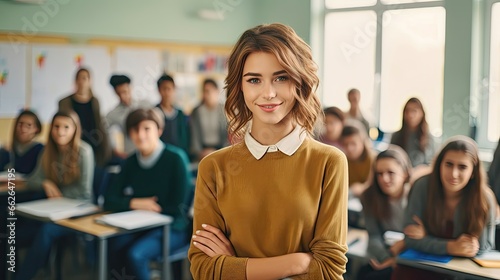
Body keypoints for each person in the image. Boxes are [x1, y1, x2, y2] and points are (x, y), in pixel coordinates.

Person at [188, 23, 348, 280]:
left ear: (299, 80)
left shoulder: (329, 162)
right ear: (240, 86)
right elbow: (203, 269)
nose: (268, 93)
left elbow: (328, 270)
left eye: (281, 77)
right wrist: (298, 262)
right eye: (254, 80)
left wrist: (234, 265)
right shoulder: (213, 167)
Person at [392, 136, 497, 280]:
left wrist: (427, 239)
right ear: (439, 165)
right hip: (418, 268)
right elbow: (410, 240)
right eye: (448, 164)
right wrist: (451, 247)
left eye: (462, 167)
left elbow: (483, 248)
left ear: (473, 172)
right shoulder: (421, 186)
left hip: (459, 272)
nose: (454, 174)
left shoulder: (485, 198)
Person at [104, 108, 191, 280]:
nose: (140, 135)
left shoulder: (176, 159)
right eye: (135, 130)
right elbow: (108, 200)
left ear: (159, 130)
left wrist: (155, 211)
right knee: (111, 245)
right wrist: (134, 203)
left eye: (146, 129)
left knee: (136, 254)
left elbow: (179, 208)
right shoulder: (129, 162)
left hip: (173, 228)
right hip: (139, 225)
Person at [16, 110, 94, 280]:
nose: (60, 132)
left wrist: (59, 193)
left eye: (66, 127)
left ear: (75, 130)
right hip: (51, 209)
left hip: (78, 211)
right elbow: (32, 180)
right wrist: (46, 183)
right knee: (16, 223)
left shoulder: (84, 152)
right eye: (56, 127)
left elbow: (84, 192)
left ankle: (22, 277)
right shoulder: (47, 151)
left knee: (46, 230)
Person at [357, 145, 412, 280]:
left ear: (404, 173)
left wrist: (397, 259)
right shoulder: (369, 196)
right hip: (386, 253)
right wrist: (388, 258)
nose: (384, 179)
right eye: (379, 174)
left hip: (410, 256)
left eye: (391, 173)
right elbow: (374, 236)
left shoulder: (415, 196)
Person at [59, 67, 111, 167]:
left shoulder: (95, 101)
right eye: (79, 78)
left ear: (90, 81)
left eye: (85, 78)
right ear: (75, 81)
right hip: (73, 147)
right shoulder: (65, 102)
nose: (82, 81)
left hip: (94, 145)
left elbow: (99, 125)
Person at [106, 74, 151, 159]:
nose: (123, 96)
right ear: (115, 93)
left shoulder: (145, 105)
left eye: (125, 91)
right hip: (131, 154)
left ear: (131, 88)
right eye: (119, 93)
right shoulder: (113, 114)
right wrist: (114, 149)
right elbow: (103, 133)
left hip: (149, 152)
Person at [190, 78, 228, 161]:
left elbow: (228, 135)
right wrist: (199, 152)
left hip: (221, 150)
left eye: (209, 91)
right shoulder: (196, 111)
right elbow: (194, 135)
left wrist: (219, 151)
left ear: (217, 91)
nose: (207, 94)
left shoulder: (225, 110)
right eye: (205, 91)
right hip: (202, 152)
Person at [390, 97, 435, 169]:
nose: (410, 115)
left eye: (414, 111)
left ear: (422, 114)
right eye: (407, 111)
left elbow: (430, 163)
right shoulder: (396, 136)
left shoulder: (429, 138)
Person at [155, 74, 190, 157]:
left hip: (179, 155)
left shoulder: (180, 114)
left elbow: (184, 138)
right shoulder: (154, 113)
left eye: (169, 89)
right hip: (161, 156)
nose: (167, 92)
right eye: (164, 89)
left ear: (174, 90)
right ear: (159, 90)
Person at [2, 109, 44, 175]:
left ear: (36, 129)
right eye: (20, 124)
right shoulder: (7, 150)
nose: (23, 129)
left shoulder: (40, 150)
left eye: (29, 125)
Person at [341, 120, 375, 197]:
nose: (349, 148)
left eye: (353, 143)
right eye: (345, 144)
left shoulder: (373, 159)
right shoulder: (343, 160)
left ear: (363, 142)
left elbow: (372, 184)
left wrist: (361, 188)